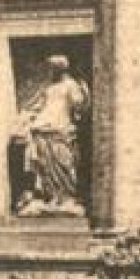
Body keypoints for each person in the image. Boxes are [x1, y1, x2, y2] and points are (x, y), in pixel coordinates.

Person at [13, 55, 91, 215]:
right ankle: (49, 197)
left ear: (63, 68)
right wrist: (27, 118)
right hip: (43, 128)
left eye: (54, 68)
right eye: (50, 68)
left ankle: (65, 197)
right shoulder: (48, 88)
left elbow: (79, 105)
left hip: (62, 128)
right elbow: (38, 105)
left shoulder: (71, 85)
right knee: (44, 164)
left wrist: (83, 95)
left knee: (63, 162)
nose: (52, 71)